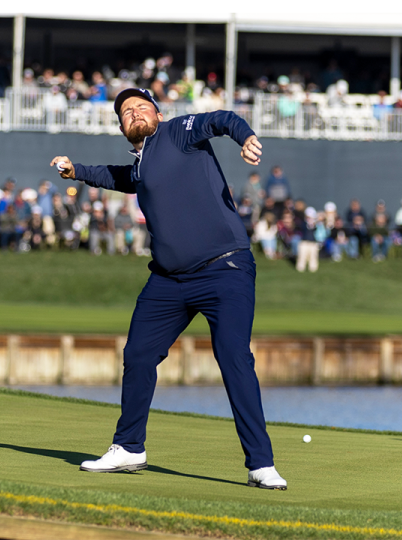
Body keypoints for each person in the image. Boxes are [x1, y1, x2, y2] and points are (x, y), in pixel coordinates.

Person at [49, 87, 286, 490]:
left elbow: (221, 119)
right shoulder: (142, 163)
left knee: (232, 357)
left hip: (224, 270)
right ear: (122, 127)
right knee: (138, 354)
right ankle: (129, 448)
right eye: (126, 113)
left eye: (142, 107)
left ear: (158, 113)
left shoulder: (178, 132)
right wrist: (77, 171)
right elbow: (122, 178)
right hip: (168, 280)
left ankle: (261, 464)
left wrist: (244, 136)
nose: (135, 114)